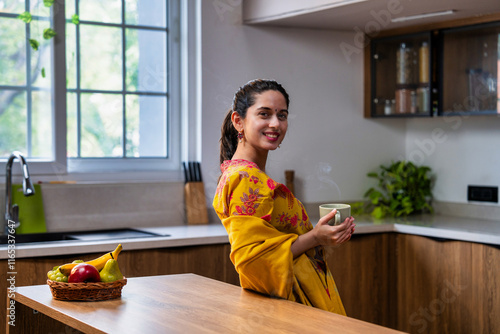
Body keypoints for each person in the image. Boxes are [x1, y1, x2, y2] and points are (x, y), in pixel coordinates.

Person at [212, 79, 355, 315]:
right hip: (288, 305)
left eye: (282, 115)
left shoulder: (242, 173)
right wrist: (315, 237)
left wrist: (322, 236)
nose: (275, 124)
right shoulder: (246, 178)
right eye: (264, 114)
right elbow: (253, 261)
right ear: (238, 121)